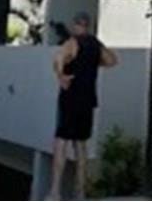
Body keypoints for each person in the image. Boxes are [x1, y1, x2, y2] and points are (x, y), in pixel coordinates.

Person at [46, 11, 117, 200]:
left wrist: (61, 76)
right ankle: (80, 192)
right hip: (88, 100)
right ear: (89, 26)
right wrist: (94, 63)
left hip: (70, 99)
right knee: (81, 146)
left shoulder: (72, 42)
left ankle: (55, 192)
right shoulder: (95, 44)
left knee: (61, 143)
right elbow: (112, 60)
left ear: (76, 25)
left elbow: (58, 58)